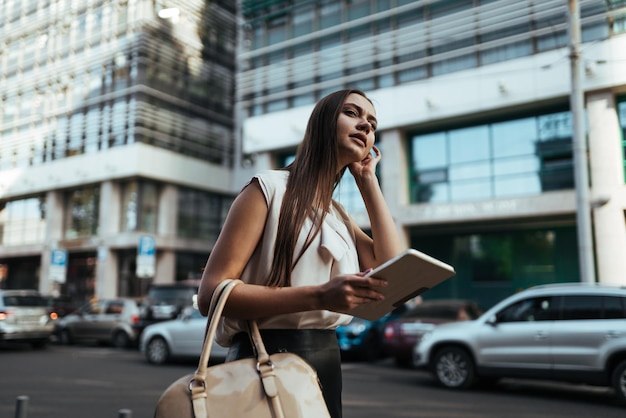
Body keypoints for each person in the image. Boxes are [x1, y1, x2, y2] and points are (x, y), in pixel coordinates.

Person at [197, 88, 403, 418]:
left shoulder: (337, 215)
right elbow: (211, 295)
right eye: (352, 113)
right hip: (262, 364)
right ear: (322, 123)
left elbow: (392, 270)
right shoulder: (267, 188)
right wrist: (319, 296)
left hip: (325, 367)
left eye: (372, 122)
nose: (365, 125)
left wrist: (367, 179)